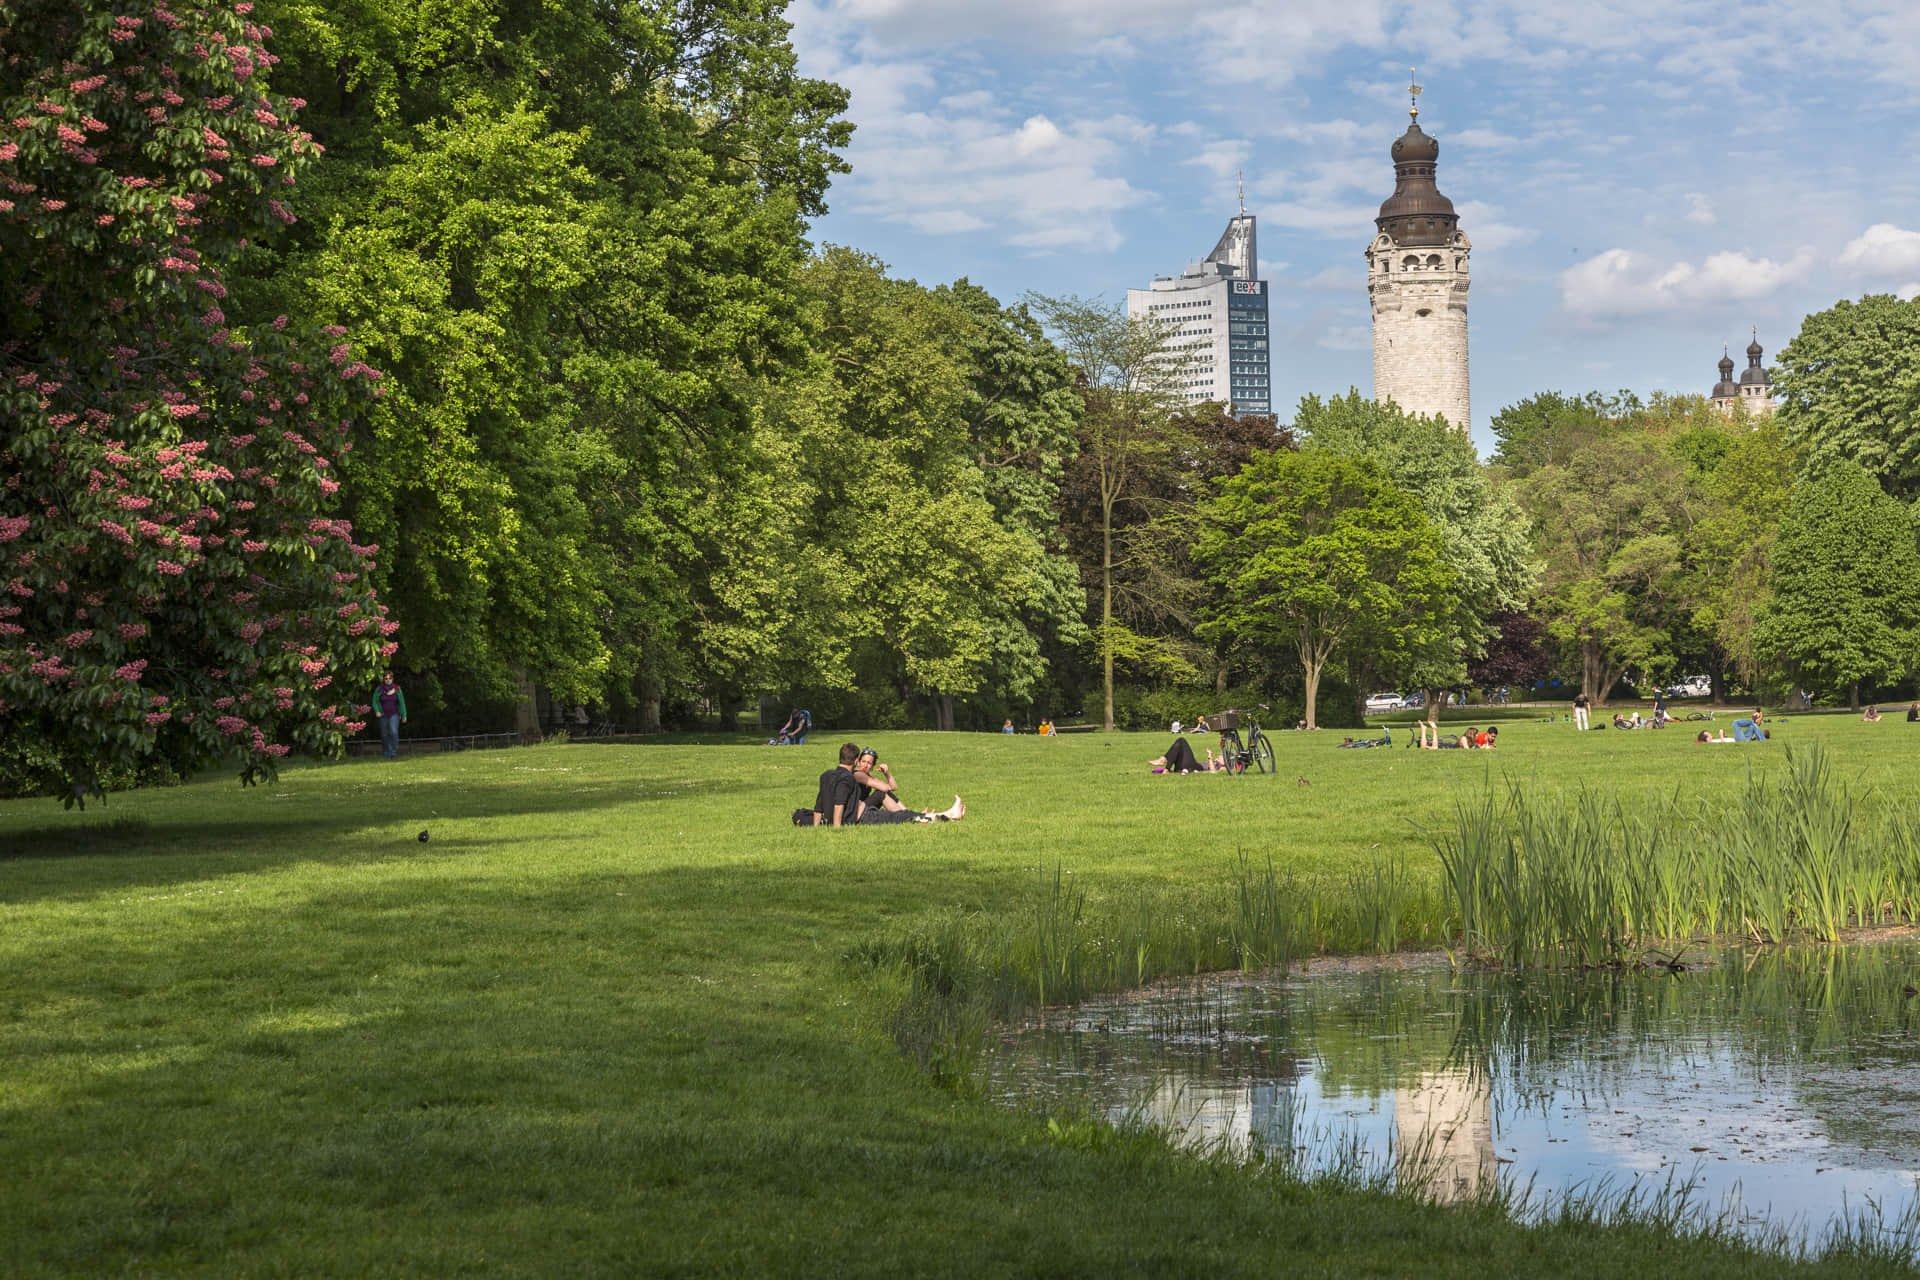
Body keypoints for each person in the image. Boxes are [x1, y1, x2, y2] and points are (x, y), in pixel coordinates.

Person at [852, 747, 964, 823]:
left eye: (869, 763)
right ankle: (912, 816)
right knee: (881, 793)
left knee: (884, 793)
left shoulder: (868, 777)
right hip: (857, 811)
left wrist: (887, 773)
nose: (866, 765)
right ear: (858, 761)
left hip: (863, 808)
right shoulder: (858, 775)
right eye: (863, 761)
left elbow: (894, 787)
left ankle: (910, 814)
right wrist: (885, 780)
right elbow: (886, 788)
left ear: (872, 765)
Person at [807, 742, 865, 827]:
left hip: (827, 819)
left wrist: (816, 827)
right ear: (856, 761)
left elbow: (819, 804)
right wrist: (837, 828)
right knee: (879, 796)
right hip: (846, 820)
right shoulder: (847, 777)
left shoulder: (826, 775)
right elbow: (839, 803)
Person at [372, 670, 407, 759]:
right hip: (383, 714)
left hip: (394, 714)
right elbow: (374, 701)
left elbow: (402, 702)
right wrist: (377, 711)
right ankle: (386, 751)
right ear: (383, 679)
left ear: (392, 679)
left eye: (390, 678)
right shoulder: (379, 689)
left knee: (393, 732)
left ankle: (393, 752)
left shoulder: (397, 688)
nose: (388, 680)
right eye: (386, 678)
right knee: (384, 734)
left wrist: (404, 715)